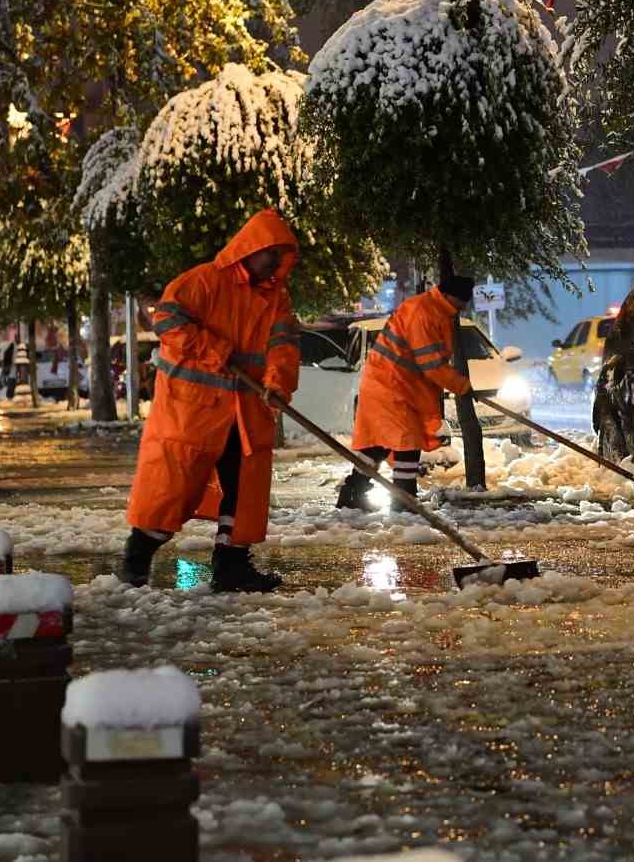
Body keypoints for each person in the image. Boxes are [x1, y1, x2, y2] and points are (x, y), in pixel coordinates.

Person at [118, 209, 301, 592]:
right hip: (191, 411)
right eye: (271, 253)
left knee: (243, 487)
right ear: (250, 248)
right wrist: (215, 349)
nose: (275, 263)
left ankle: (232, 564)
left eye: (281, 256)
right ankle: (135, 561)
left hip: (243, 411)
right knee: (172, 489)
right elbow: (166, 321)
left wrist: (278, 383)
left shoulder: (276, 300)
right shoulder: (203, 282)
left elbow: (282, 345)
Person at [335, 276, 478, 509]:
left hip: (394, 384)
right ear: (451, 296)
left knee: (379, 445)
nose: (463, 307)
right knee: (407, 442)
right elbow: (431, 363)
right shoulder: (423, 312)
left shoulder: (435, 310)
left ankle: (353, 493)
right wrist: (461, 385)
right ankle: (404, 499)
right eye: (462, 301)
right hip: (391, 386)